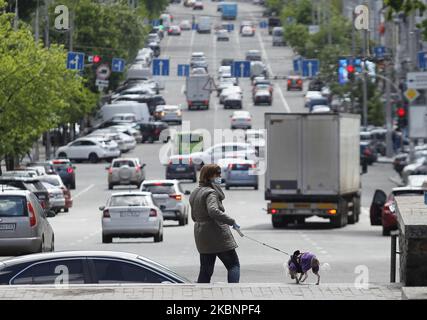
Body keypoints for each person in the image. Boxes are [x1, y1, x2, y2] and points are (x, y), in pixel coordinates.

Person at [189, 164, 240, 283]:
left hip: (201, 235)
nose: (220, 176)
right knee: (233, 265)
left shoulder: (195, 192)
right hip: (217, 234)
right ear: (209, 176)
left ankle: (201, 294)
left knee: (206, 270)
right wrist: (231, 221)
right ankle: (234, 291)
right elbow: (213, 211)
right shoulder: (211, 193)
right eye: (217, 174)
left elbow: (193, 217)